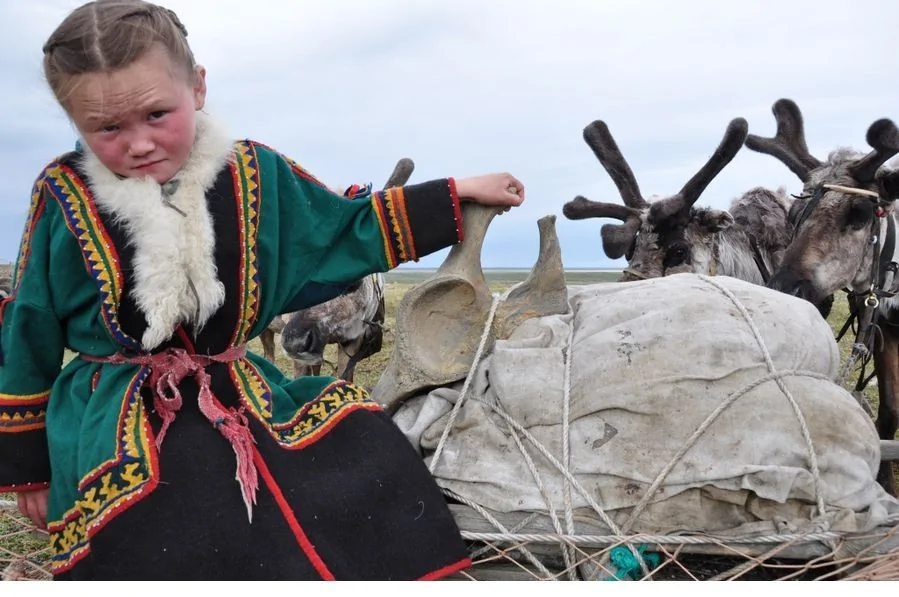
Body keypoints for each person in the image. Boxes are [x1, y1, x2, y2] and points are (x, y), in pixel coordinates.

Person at [0, 0, 525, 581]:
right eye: (106, 128)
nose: (138, 143)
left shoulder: (254, 173)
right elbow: (29, 325)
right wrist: (28, 468)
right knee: (193, 490)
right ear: (74, 121)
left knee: (364, 441)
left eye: (156, 114)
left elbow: (342, 226)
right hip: (113, 416)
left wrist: (455, 196)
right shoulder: (64, 195)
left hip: (239, 390)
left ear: (197, 88)